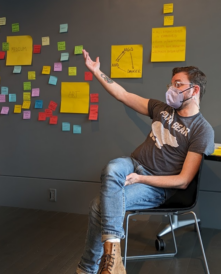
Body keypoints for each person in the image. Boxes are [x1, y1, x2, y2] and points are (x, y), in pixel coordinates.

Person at [75, 49, 214, 274]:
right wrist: (96, 72)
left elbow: (183, 181)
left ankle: (87, 269)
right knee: (112, 167)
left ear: (194, 89)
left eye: (178, 84)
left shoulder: (202, 130)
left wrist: (141, 178)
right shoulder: (162, 109)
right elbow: (122, 94)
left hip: (155, 186)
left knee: (98, 206)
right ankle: (113, 255)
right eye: (171, 84)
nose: (172, 89)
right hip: (133, 163)